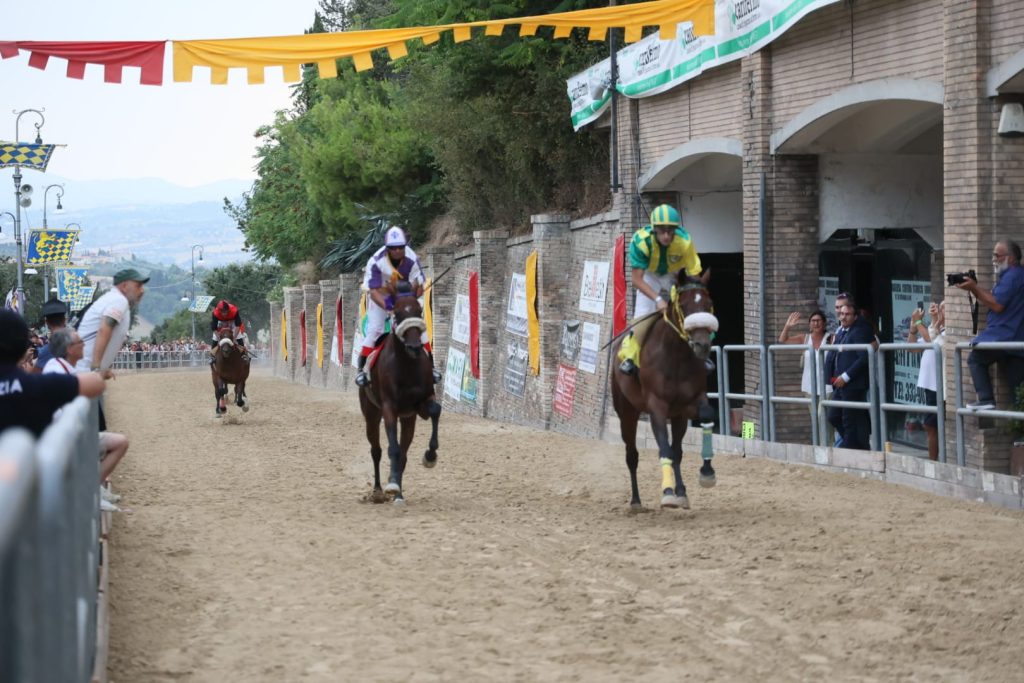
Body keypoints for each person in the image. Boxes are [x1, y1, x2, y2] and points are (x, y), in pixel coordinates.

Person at [43, 327, 129, 509]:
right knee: (119, 443)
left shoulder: (61, 367)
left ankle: (92, 487)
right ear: (69, 349)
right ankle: (89, 491)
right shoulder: (55, 370)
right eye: (80, 342)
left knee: (120, 442)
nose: (84, 345)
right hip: (64, 440)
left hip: (71, 435)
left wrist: (99, 375)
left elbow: (79, 381)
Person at [617, 204, 705, 376]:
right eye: (662, 231)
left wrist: (693, 294)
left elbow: (695, 274)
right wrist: (658, 300)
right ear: (654, 229)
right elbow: (636, 280)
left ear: (675, 230)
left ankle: (702, 354)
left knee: (695, 310)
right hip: (649, 275)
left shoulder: (685, 241)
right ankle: (630, 355)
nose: (666, 236)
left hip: (675, 275)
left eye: (670, 231)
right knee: (643, 314)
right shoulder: (641, 242)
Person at [354, 226, 442, 388]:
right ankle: (361, 370)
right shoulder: (375, 261)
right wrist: (388, 305)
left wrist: (412, 298)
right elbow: (373, 292)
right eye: (392, 248)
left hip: (404, 296)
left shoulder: (412, 259)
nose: (396, 251)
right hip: (381, 298)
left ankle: (432, 367)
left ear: (405, 245)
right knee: (375, 329)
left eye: (400, 247)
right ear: (386, 247)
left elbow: (419, 284)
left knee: (419, 327)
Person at [0, 309, 105, 438]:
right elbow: (96, 384)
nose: (83, 345)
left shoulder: (46, 374)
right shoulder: (43, 383)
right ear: (23, 346)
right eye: (80, 342)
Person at [956, 240, 1024, 410]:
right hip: (1013, 339)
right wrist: (974, 288)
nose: (994, 260)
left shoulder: (1013, 276)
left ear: (1011, 258)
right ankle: (1020, 434)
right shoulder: (1013, 276)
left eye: (997, 256)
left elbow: (997, 304)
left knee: (976, 359)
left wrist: (974, 288)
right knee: (1017, 390)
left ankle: (986, 399)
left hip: (1005, 336)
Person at [76, 268, 148, 378]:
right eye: (138, 286)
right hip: (84, 372)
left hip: (82, 370)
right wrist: (96, 369)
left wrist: (104, 368)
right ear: (124, 286)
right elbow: (104, 329)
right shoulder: (119, 300)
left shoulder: (113, 299)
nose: (142, 290)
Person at [825, 301, 873, 450]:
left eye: (847, 314)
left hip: (852, 384)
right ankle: (857, 445)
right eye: (841, 314)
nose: (843, 317)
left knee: (849, 419)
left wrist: (845, 376)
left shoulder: (859, 330)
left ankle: (852, 447)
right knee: (834, 416)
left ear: (855, 316)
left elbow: (863, 357)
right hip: (839, 384)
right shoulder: (841, 331)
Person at [908, 301, 945, 460]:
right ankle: (934, 462)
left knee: (931, 425)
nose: (942, 310)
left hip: (941, 386)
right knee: (931, 425)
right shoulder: (935, 329)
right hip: (929, 384)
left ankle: (935, 462)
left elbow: (931, 340)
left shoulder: (948, 331)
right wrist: (913, 328)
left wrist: (918, 321)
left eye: (945, 308)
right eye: (941, 307)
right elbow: (913, 348)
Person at [779, 309, 831, 406]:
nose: (816, 323)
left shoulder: (831, 338)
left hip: (827, 386)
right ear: (809, 324)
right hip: (809, 385)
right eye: (813, 321)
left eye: (819, 320)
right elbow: (783, 340)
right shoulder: (805, 338)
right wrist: (787, 326)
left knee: (822, 416)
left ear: (824, 323)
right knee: (814, 417)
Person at [34, 298, 69, 371]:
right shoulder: (77, 344)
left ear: (46, 322)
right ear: (64, 320)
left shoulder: (46, 351)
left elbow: (35, 377)